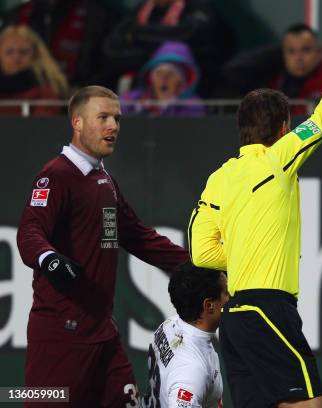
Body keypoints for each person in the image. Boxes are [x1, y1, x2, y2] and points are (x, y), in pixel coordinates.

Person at [188, 21, 322, 408]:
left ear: (241, 130)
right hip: (269, 309)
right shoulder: (279, 157)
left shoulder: (218, 178)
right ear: (284, 128)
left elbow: (200, 252)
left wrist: (245, 251)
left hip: (235, 317)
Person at [16, 85, 190, 407]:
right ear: (77, 122)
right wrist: (50, 258)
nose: (114, 126)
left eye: (117, 119)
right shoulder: (56, 176)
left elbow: (138, 236)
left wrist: (196, 263)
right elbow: (29, 232)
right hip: (60, 333)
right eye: (103, 117)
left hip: (102, 332)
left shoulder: (103, 179)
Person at [103, 0, 234, 97]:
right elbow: (112, 49)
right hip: (139, 84)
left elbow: (186, 37)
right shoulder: (143, 9)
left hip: (189, 88)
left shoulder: (197, 7)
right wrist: (154, 51)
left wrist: (137, 37)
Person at [141, 263, 228, 408]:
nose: (231, 297)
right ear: (209, 306)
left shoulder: (168, 324)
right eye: (226, 292)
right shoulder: (191, 370)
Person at [1, 0, 119, 87]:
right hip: (20, 94)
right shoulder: (16, 15)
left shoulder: (97, 15)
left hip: (81, 98)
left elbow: (108, 66)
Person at [223, 24, 322, 115]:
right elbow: (232, 72)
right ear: (282, 54)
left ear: (319, 52)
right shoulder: (270, 79)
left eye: (305, 50)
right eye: (291, 51)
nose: (298, 58)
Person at [121, 41, 205, 116]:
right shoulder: (132, 100)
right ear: (151, 79)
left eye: (170, 74)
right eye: (159, 73)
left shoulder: (192, 106)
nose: (163, 79)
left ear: (181, 81)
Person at [0, 25, 68, 116]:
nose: (16, 58)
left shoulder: (46, 91)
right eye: (9, 52)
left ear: (35, 56)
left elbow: (39, 126)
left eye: (23, 52)